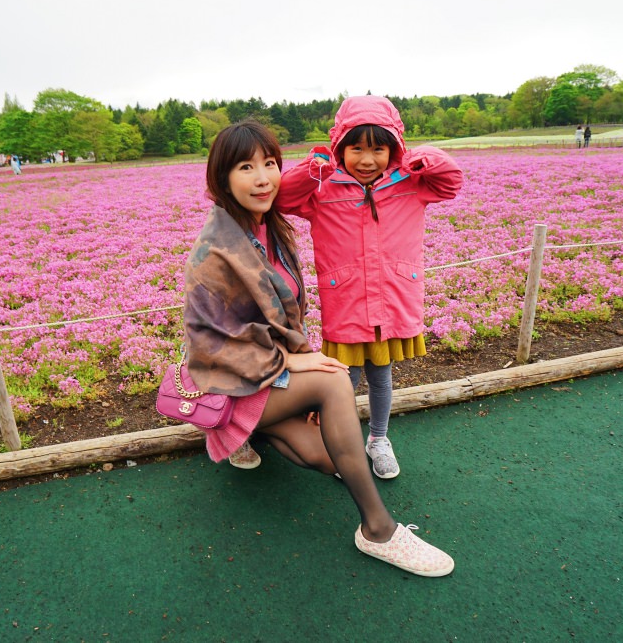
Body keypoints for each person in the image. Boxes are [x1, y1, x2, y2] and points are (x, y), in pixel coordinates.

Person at [182, 119, 455, 577]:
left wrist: (294, 370)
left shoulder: (265, 227)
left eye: (270, 163)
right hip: (230, 381)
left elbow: (280, 318)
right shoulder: (214, 251)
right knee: (332, 383)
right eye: (246, 167)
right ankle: (378, 530)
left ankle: (258, 431)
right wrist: (295, 363)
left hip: (263, 377)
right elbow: (211, 343)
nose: (264, 177)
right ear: (222, 177)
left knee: (327, 457)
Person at [277, 95, 464, 480]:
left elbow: (451, 182)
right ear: (339, 148)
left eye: (379, 149)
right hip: (345, 301)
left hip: (393, 298)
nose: (367, 159)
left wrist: (424, 156)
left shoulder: (413, 182)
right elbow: (282, 197)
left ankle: (378, 439)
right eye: (356, 148)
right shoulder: (323, 189)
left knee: (381, 375)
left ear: (394, 149)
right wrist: (316, 166)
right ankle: (339, 445)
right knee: (342, 379)